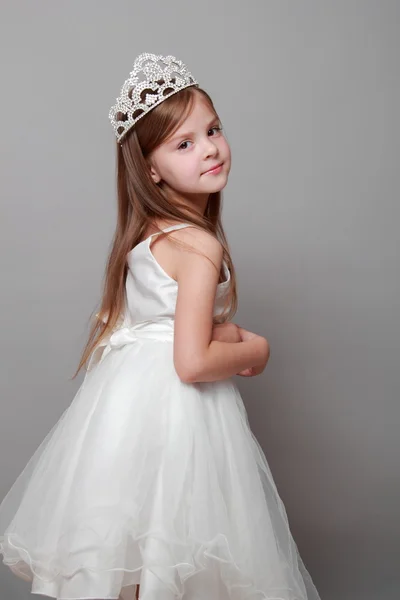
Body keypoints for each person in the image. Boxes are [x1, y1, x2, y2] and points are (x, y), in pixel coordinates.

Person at [0, 52, 321, 600]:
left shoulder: (148, 235)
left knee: (134, 568)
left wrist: (216, 333)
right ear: (151, 169)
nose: (211, 148)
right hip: (177, 423)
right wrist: (252, 347)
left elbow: (161, 326)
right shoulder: (199, 244)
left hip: (126, 419)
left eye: (212, 129)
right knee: (174, 559)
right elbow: (189, 361)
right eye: (184, 144)